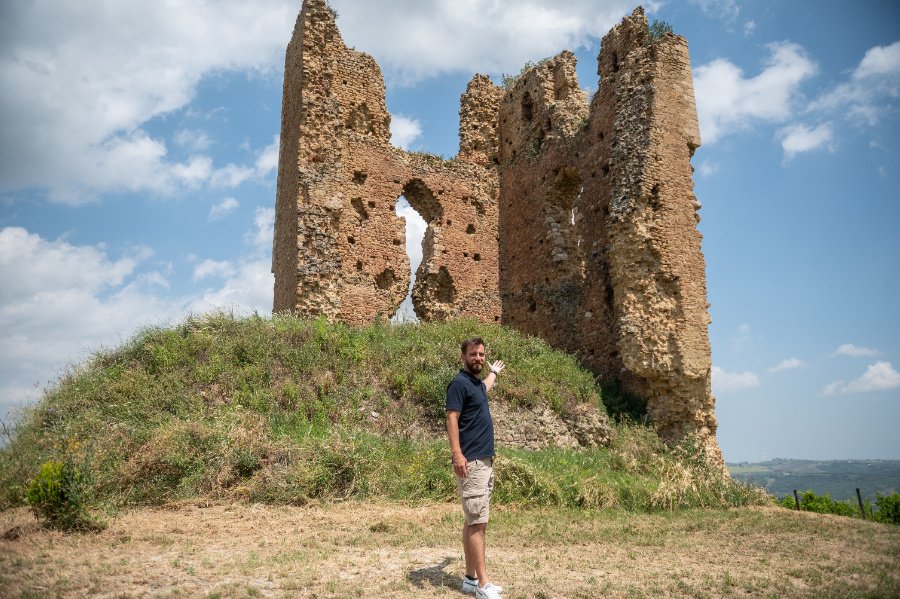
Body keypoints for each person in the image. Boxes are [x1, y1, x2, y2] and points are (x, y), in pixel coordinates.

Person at [446, 337, 506, 599]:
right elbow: (451, 417)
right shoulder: (458, 384)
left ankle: (470, 579)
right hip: (471, 462)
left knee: (473, 520)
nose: (478, 358)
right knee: (478, 523)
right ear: (463, 356)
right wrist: (458, 455)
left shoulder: (474, 384)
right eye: (474, 354)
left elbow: (484, 389)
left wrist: (494, 373)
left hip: (484, 462)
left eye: (482, 354)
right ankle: (483, 585)